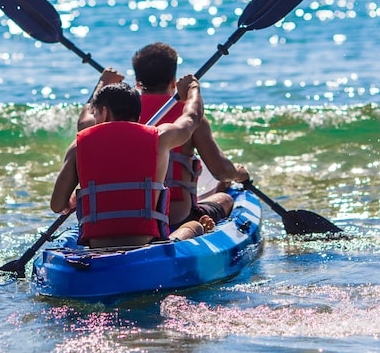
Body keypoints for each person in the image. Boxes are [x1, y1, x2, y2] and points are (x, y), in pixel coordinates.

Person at [50, 76, 209, 248]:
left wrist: (71, 202)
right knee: (195, 226)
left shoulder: (78, 146)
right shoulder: (160, 138)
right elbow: (192, 117)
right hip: (145, 246)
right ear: (138, 115)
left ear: (104, 112)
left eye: (95, 114)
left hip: (97, 247)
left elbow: (57, 205)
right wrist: (193, 88)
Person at [123, 42, 250, 230]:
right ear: (174, 82)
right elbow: (220, 170)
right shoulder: (187, 117)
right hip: (178, 217)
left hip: (133, 215)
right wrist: (240, 174)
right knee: (225, 198)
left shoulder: (123, 114)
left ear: (137, 81)